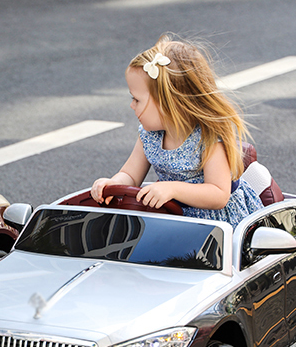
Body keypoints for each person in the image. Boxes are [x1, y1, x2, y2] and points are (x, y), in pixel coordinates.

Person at [91, 34, 263, 228]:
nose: (132, 105)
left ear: (169, 103)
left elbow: (218, 194)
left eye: (137, 100)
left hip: (216, 224)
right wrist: (112, 184)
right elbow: (130, 175)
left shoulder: (208, 137)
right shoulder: (149, 135)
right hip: (174, 217)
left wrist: (172, 189)